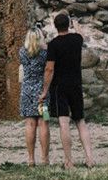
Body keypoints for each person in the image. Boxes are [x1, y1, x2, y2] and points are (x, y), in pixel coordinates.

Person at [39, 12, 94, 169]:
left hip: (60, 86)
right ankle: (90, 159)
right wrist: (75, 23)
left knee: (64, 123)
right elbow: (81, 34)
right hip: (76, 84)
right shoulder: (77, 40)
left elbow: (49, 69)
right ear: (68, 24)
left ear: (55, 26)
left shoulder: (53, 44)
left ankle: (69, 161)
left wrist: (45, 91)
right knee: (80, 121)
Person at [19, 27, 50, 167]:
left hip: (26, 92)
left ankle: (31, 159)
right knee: (44, 122)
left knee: (29, 124)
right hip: (42, 92)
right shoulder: (45, 53)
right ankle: (45, 158)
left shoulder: (22, 52)